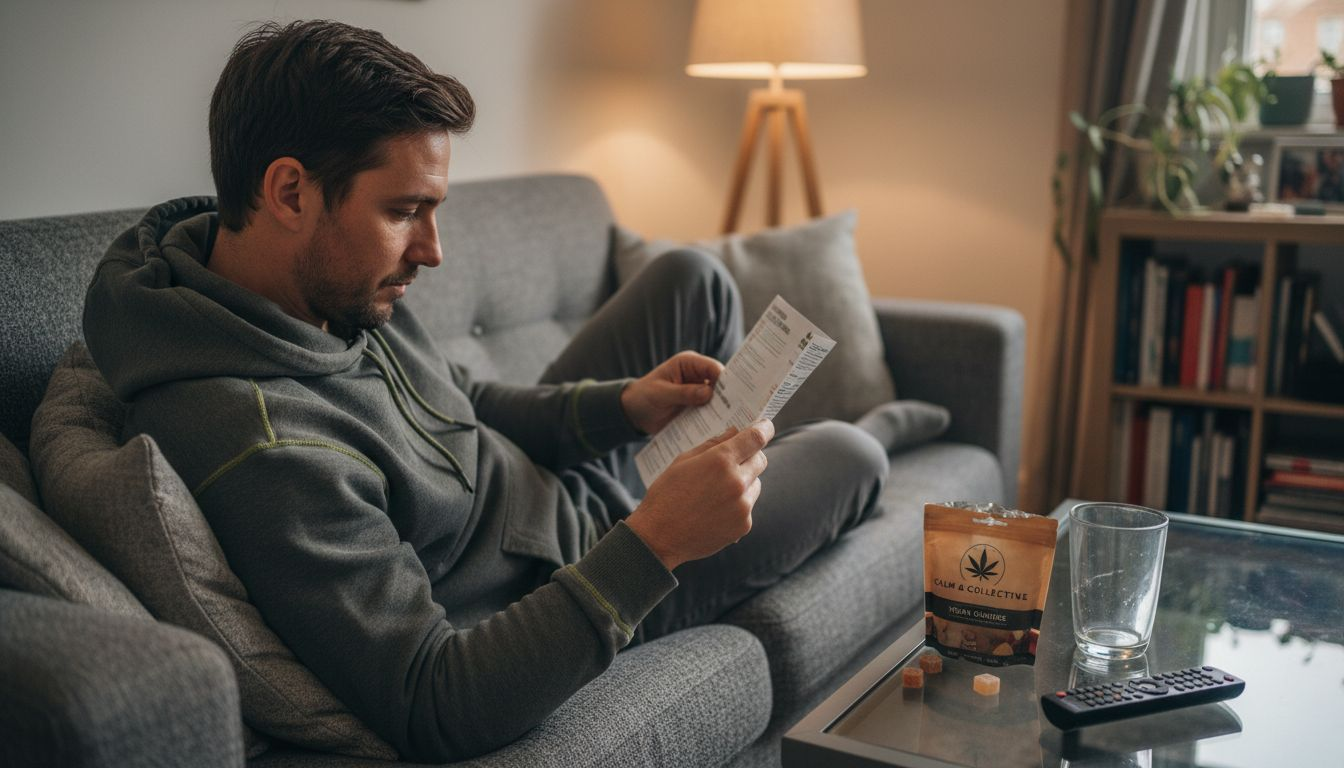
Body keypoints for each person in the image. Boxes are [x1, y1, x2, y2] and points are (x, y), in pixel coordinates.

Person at [82, 19, 887, 762]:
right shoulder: (258, 446)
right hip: (565, 576)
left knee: (693, 279)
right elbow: (436, 701)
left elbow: (461, 401)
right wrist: (657, 542)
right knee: (854, 455)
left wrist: (620, 406)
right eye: (406, 211)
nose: (432, 252)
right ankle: (884, 433)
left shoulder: (323, 288)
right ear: (289, 192)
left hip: (545, 487)